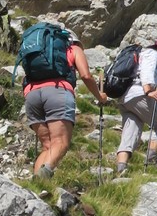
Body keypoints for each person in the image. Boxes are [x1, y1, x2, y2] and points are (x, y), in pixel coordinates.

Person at [23, 25, 104, 178]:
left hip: (32, 94)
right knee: (60, 143)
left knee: (47, 147)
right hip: (58, 92)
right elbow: (86, 76)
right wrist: (100, 96)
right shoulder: (73, 49)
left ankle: (36, 186)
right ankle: (43, 176)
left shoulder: (39, 52)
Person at [112, 36, 157, 174]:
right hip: (138, 94)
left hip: (125, 98)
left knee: (131, 130)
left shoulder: (142, 55)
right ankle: (150, 159)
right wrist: (147, 91)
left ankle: (121, 167)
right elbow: (146, 71)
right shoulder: (152, 54)